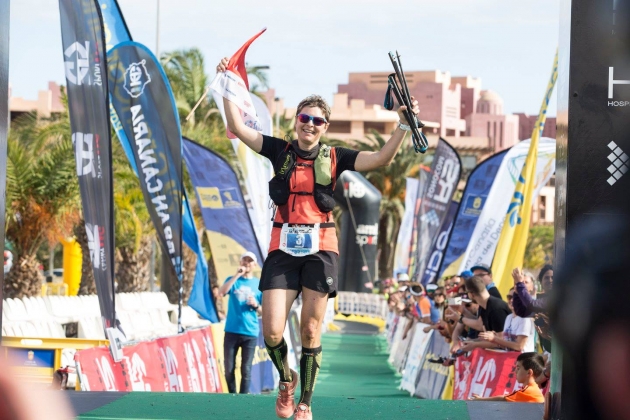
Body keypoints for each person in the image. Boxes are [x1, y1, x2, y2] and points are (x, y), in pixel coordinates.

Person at [217, 56, 420, 420]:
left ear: (325, 127)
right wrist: (229, 83)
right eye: (305, 118)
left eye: (317, 121)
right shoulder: (279, 150)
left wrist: (403, 126)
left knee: (310, 328)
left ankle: (305, 402)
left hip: (320, 248)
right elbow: (236, 125)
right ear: (296, 121)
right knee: (273, 331)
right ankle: (286, 381)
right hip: (282, 246)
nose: (310, 125)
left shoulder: (336, 156)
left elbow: (381, 159)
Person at [218, 251, 263, 394]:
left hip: (250, 332)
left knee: (246, 369)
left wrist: (256, 305)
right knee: (229, 368)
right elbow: (221, 292)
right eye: (244, 260)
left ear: (255, 265)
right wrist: (237, 275)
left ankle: (243, 399)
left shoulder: (258, 284)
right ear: (240, 262)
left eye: (250, 261)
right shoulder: (233, 279)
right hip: (231, 330)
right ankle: (232, 395)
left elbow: (264, 311)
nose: (247, 263)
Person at [455, 276, 511, 354]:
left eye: (467, 293)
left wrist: (475, 345)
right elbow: (485, 333)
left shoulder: (496, 309)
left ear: (471, 294)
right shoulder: (483, 306)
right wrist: (470, 341)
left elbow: (501, 341)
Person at [474, 287, 536, 352]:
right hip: (509, 358)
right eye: (509, 297)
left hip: (523, 359)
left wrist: (494, 338)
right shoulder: (509, 317)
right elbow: (505, 344)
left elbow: (519, 346)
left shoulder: (525, 318)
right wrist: (491, 337)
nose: (511, 300)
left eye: (515, 297)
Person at [469, 352, 545, 403]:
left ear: (529, 372)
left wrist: (480, 400)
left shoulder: (529, 391)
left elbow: (503, 399)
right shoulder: (529, 389)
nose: (515, 371)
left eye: (518, 368)